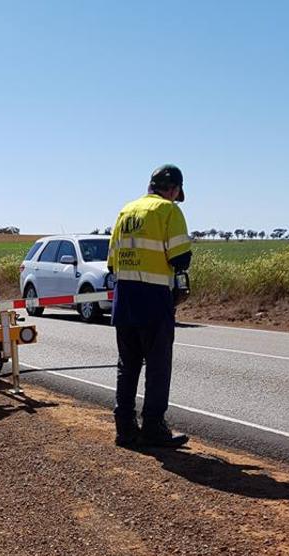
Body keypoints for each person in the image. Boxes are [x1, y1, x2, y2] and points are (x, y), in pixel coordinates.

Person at [107, 164, 192, 448]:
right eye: (177, 192)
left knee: (127, 366)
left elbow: (111, 263)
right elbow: (181, 259)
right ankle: (153, 427)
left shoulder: (125, 211)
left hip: (125, 299)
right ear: (174, 189)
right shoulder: (168, 211)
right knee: (157, 367)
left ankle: (125, 428)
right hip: (154, 299)